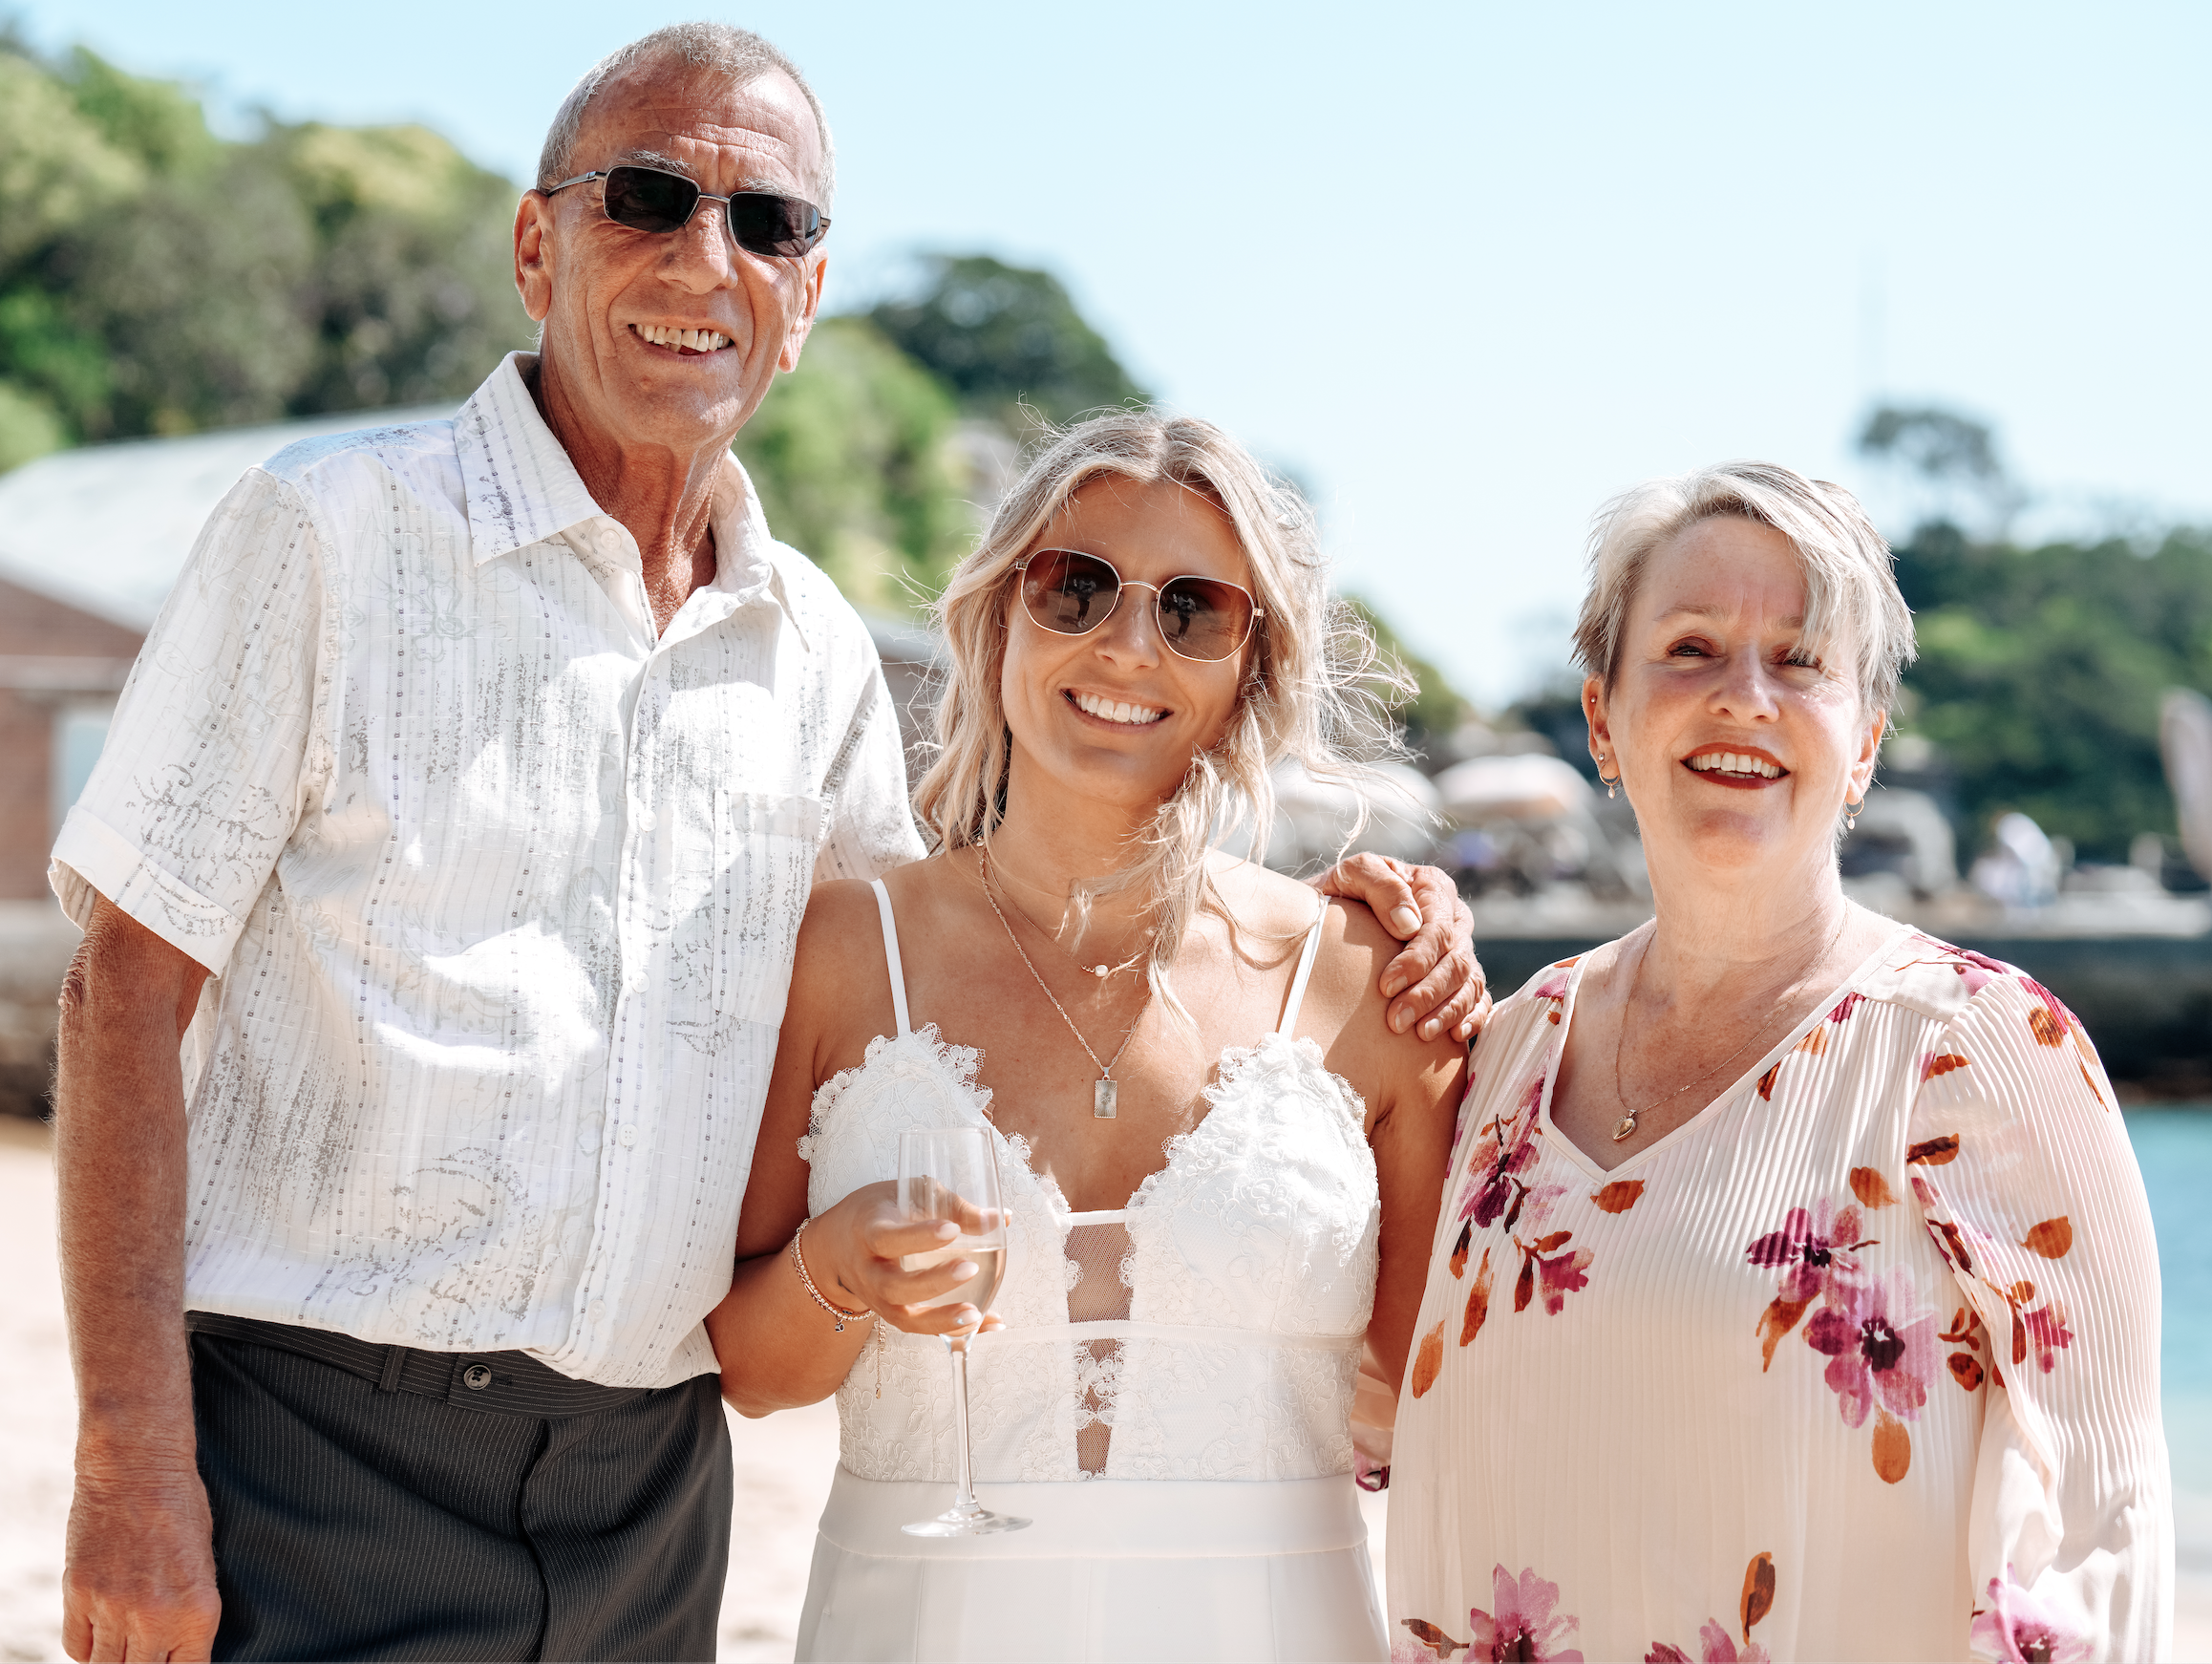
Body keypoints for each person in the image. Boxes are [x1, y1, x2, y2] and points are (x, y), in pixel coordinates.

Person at [49, 26, 1485, 1664]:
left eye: (765, 223)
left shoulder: (815, 656)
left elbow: (932, 975)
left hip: (653, 1494)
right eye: (646, 198)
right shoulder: (325, 532)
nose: (702, 259)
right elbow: (120, 993)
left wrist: (1385, 921)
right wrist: (128, 1462)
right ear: (535, 245)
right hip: (309, 1443)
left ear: (805, 300)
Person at [708, 411, 1468, 1663]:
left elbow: (1445, 1390)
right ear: (999, 616)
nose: (1127, 644)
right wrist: (837, 1271)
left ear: (1253, 665)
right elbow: (751, 1371)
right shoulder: (845, 947)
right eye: (1076, 586)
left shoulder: (1367, 978)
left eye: (1194, 611)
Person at [1386, 463, 2172, 1662]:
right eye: (1690, 648)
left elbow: (2093, 1531)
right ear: (1602, 718)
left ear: (1865, 742)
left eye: (1800, 660)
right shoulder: (1509, 1050)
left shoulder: (1978, 1048)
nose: (1743, 697)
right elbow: (1364, 1401)